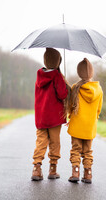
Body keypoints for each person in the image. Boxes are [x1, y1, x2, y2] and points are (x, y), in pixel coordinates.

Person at [31, 48, 69, 181]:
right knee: (54, 142)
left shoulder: (39, 75)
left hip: (41, 117)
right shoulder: (57, 76)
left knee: (40, 142)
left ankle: (36, 168)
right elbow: (62, 94)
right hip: (54, 118)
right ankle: (53, 169)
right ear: (58, 61)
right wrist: (63, 83)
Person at [67, 58, 103, 184]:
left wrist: (69, 116)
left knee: (75, 149)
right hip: (89, 127)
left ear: (79, 73)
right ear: (91, 73)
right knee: (88, 151)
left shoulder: (75, 88)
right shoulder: (98, 89)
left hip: (77, 126)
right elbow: (98, 110)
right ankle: (88, 173)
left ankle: (75, 172)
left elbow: (71, 106)